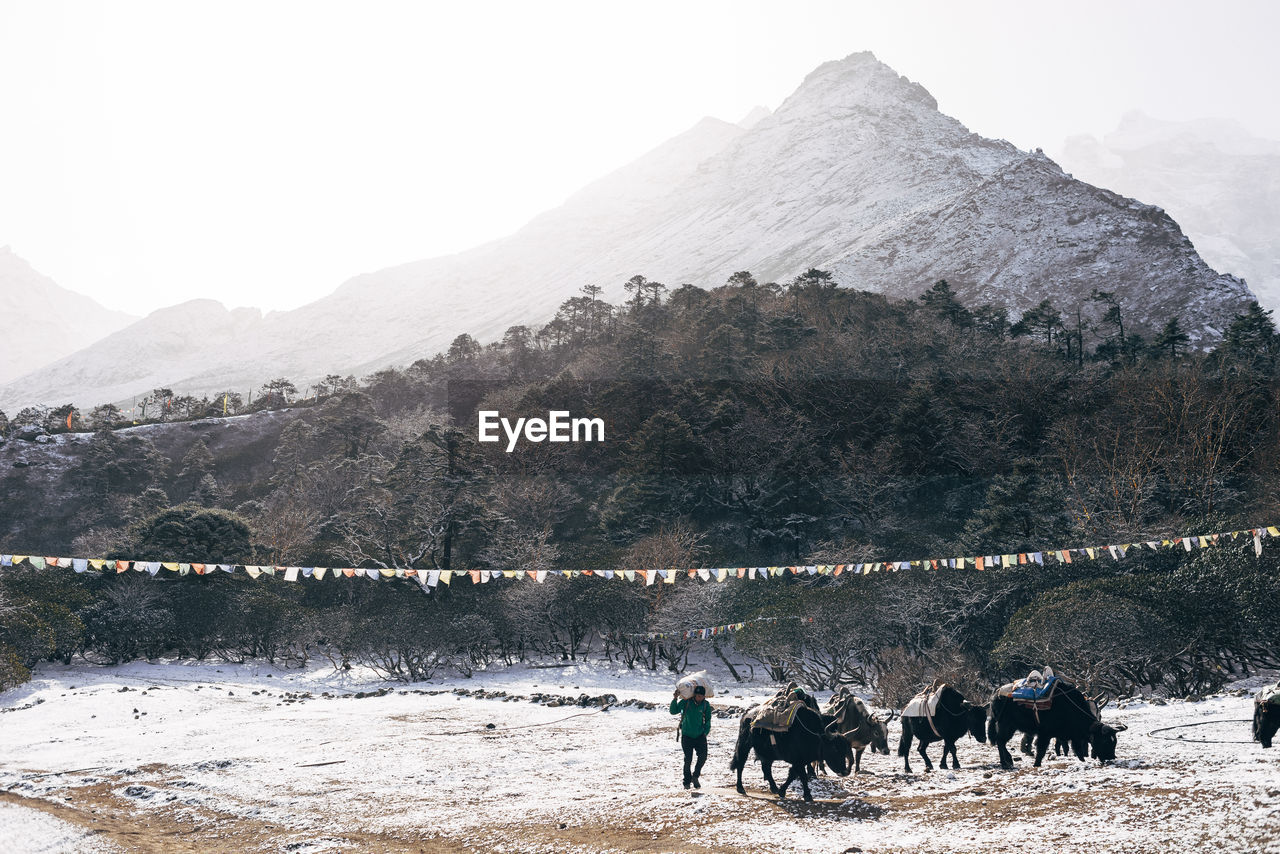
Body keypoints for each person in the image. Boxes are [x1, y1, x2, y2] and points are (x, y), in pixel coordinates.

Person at [670, 684, 712, 789]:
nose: (699, 698)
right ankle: (686, 782)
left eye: (701, 696)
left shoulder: (706, 705)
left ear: (704, 696)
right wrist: (675, 698)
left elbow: (708, 721)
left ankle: (695, 776)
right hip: (687, 736)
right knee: (688, 759)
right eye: (698, 696)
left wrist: (704, 732)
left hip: (700, 736)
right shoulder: (686, 702)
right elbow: (673, 711)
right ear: (694, 695)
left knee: (703, 757)